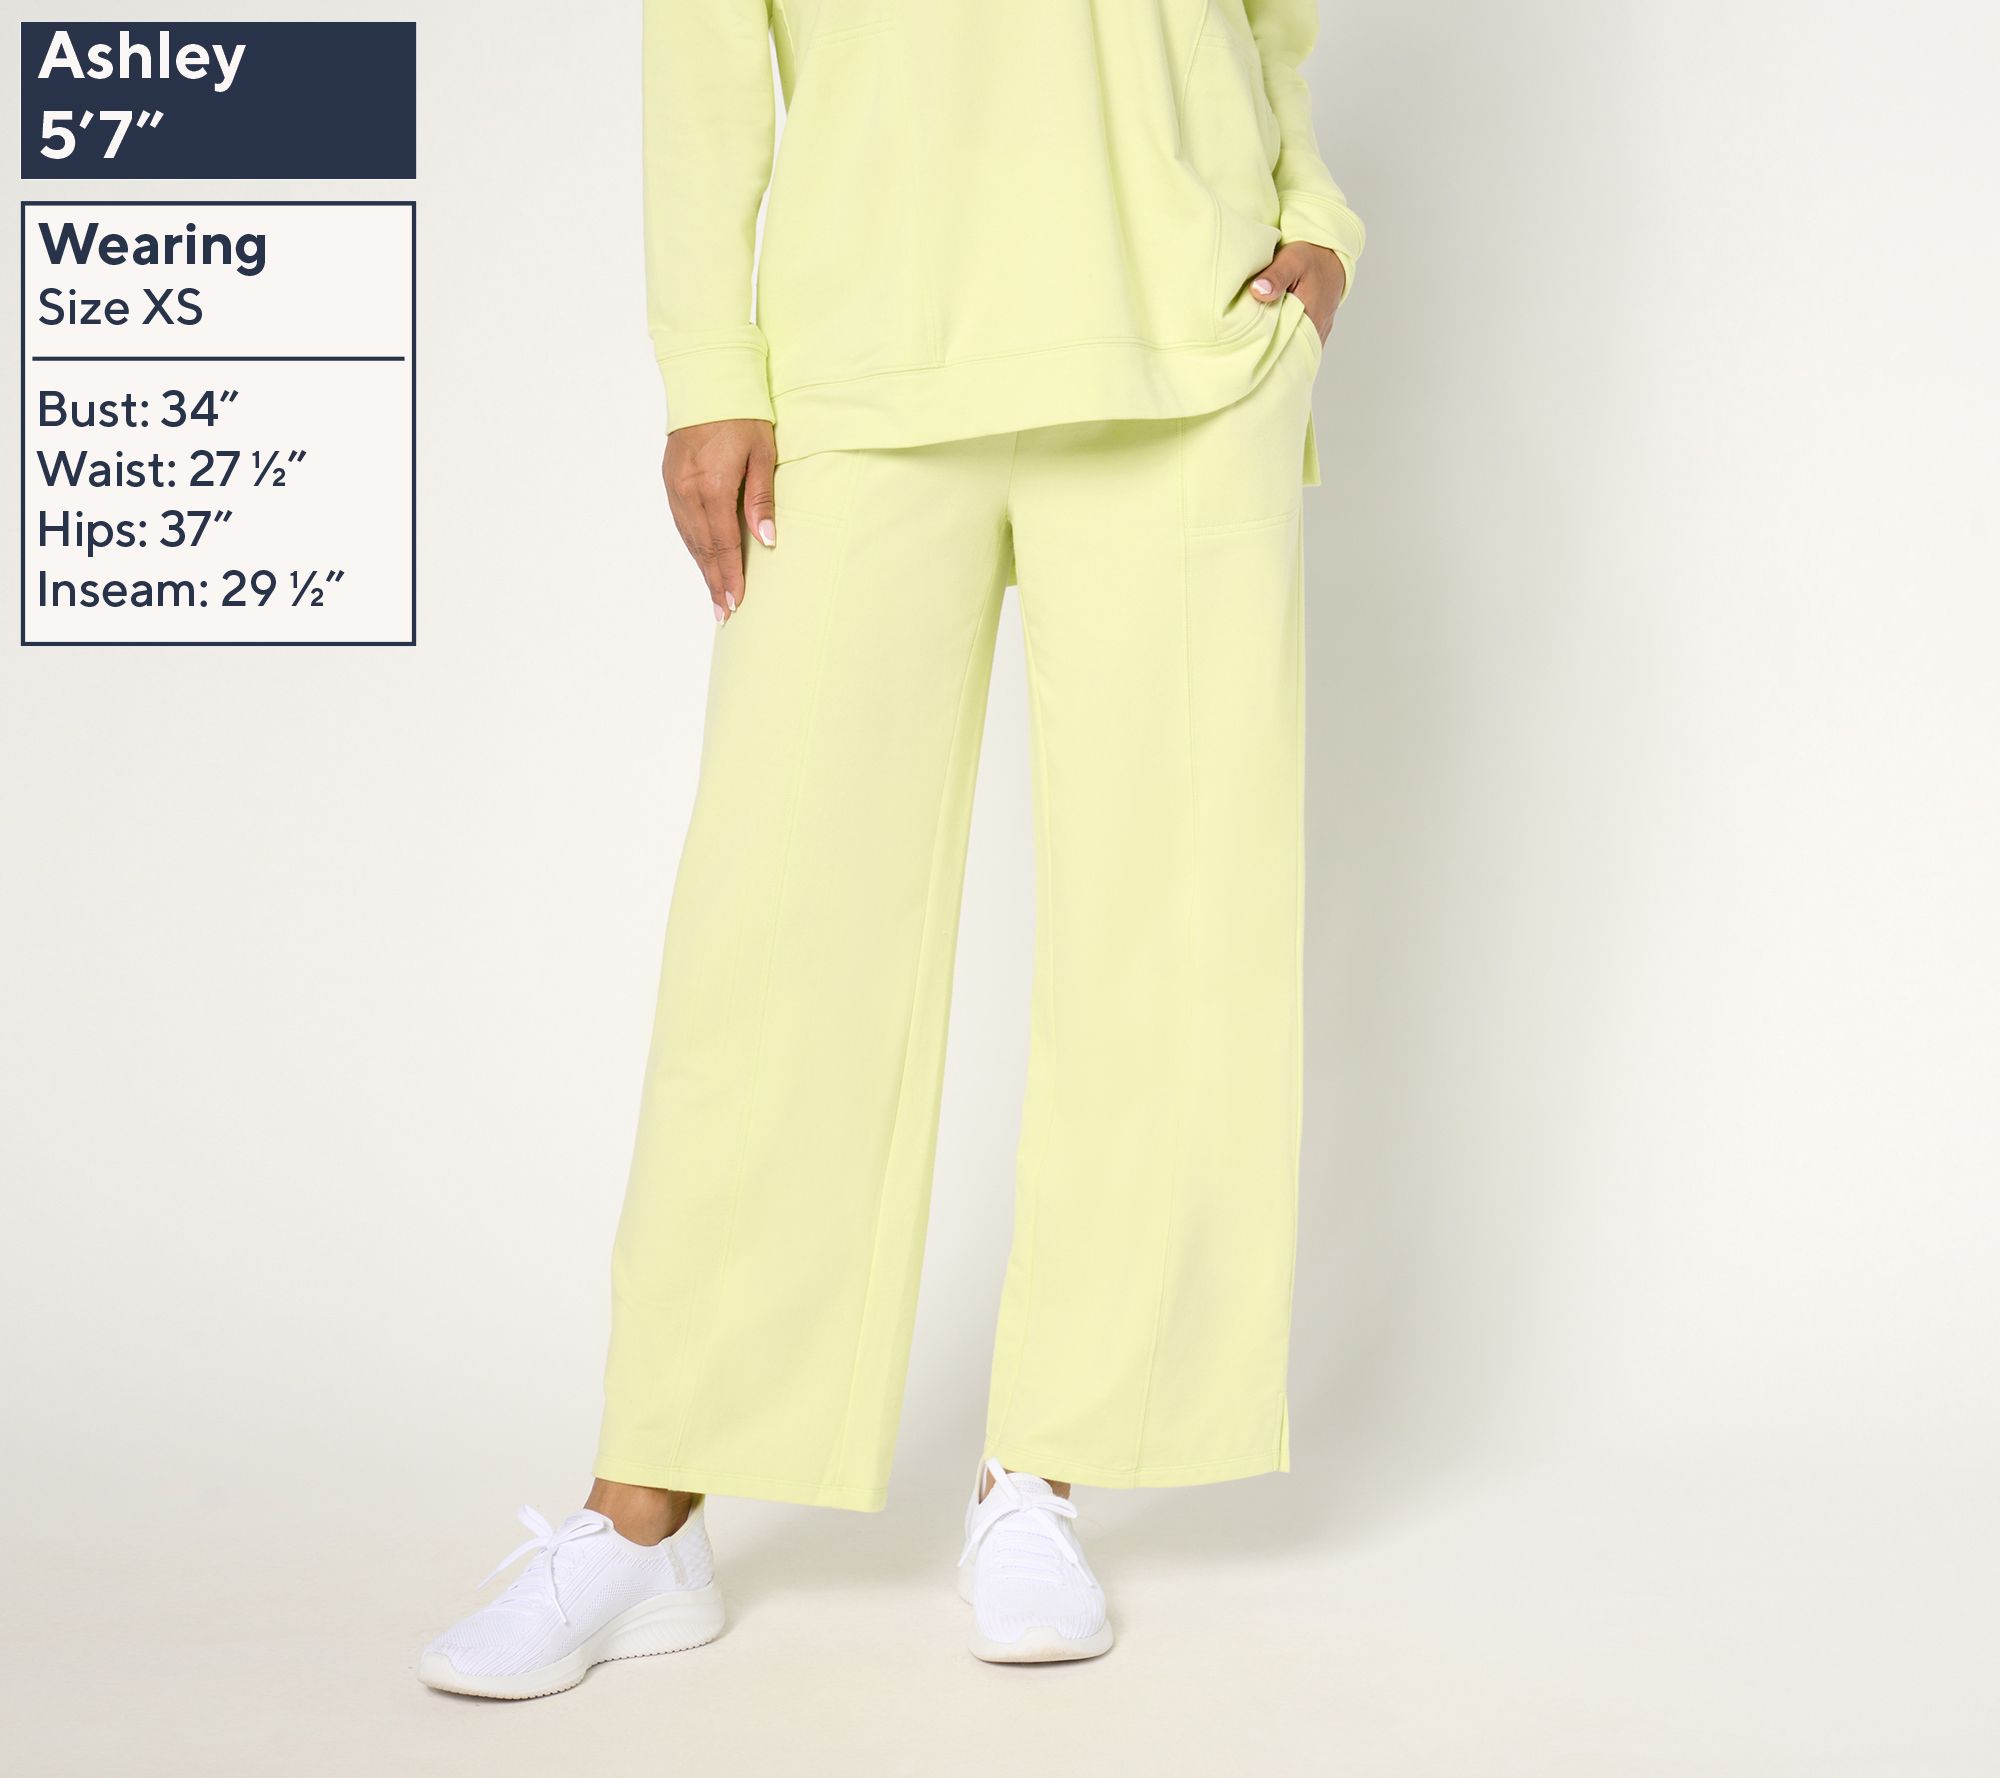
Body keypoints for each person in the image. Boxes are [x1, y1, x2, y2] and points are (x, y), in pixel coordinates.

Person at [420, 0, 1363, 1696]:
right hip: (859, 363)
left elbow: (1268, 28)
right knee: (777, 942)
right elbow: (704, 60)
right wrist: (712, 370)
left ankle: (1043, 1474)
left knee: (1168, 936)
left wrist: (1319, 218)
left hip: (1192, 345)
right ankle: (646, 1515)